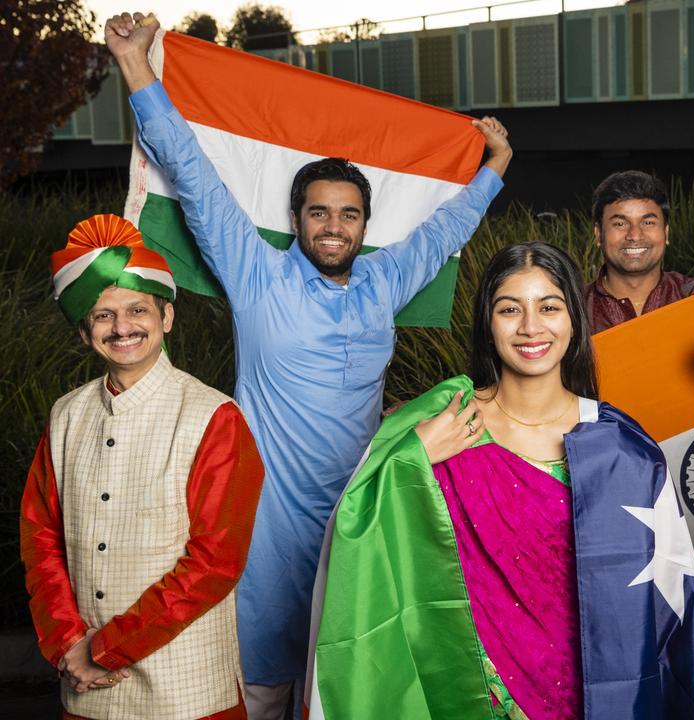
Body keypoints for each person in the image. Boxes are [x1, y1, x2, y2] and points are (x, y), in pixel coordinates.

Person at [104, 13, 513, 715]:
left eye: (348, 214)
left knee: (346, 674)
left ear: (364, 224)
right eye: (319, 212)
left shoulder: (386, 282)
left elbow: (446, 227)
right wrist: (135, 62)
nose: (333, 226)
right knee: (262, 680)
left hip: (363, 509)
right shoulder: (256, 273)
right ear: (298, 220)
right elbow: (193, 172)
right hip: (269, 519)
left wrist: (496, 165)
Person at [308, 243, 694, 719]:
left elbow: (665, 598)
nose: (530, 327)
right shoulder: (443, 422)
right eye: (509, 309)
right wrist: (409, 459)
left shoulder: (622, 448)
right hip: (473, 691)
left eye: (549, 306)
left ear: (573, 320)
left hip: (595, 690)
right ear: (488, 322)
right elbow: (356, 530)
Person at [21, 214, 264, 719]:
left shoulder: (214, 416)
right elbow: (41, 536)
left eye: (137, 309)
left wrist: (103, 650)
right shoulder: (66, 414)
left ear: (166, 318)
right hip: (86, 687)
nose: (122, 327)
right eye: (103, 315)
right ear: (86, 330)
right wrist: (69, 643)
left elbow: (214, 563)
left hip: (187, 691)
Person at [586, 170, 694, 333]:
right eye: (620, 224)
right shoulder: (574, 309)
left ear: (666, 233)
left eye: (648, 222)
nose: (635, 236)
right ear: (599, 235)